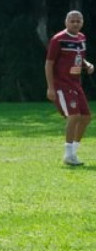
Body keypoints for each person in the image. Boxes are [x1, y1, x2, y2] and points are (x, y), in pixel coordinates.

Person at [45, 10, 95, 166]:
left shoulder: (81, 38)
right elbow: (49, 63)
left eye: (78, 21)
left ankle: (73, 152)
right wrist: (50, 87)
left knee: (86, 117)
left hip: (76, 83)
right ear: (66, 22)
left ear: (82, 22)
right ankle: (68, 154)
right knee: (74, 116)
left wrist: (87, 64)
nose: (75, 23)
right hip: (62, 83)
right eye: (72, 21)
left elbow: (78, 56)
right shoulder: (58, 39)